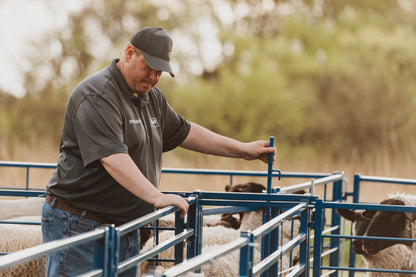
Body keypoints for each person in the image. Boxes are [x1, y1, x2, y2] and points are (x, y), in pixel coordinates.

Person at [41, 26, 276, 277]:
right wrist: (155, 196)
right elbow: (112, 157)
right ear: (129, 52)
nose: (153, 77)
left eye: (159, 72)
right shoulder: (97, 95)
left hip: (126, 227)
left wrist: (242, 150)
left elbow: (187, 132)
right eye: (149, 68)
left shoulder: (151, 98)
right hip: (81, 225)